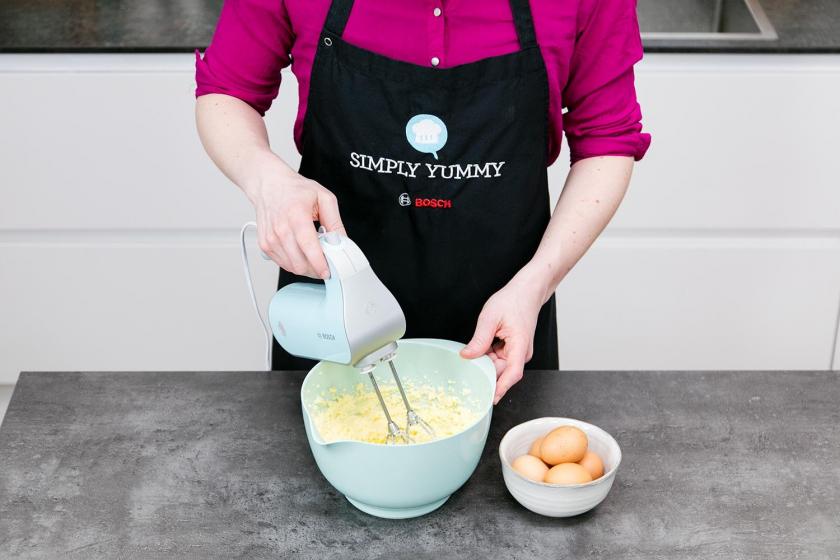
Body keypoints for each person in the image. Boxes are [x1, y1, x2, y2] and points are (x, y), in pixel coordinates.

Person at [195, 0, 650, 404]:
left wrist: (536, 283)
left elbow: (607, 141)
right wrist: (268, 181)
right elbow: (226, 92)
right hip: (333, 316)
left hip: (501, 323)